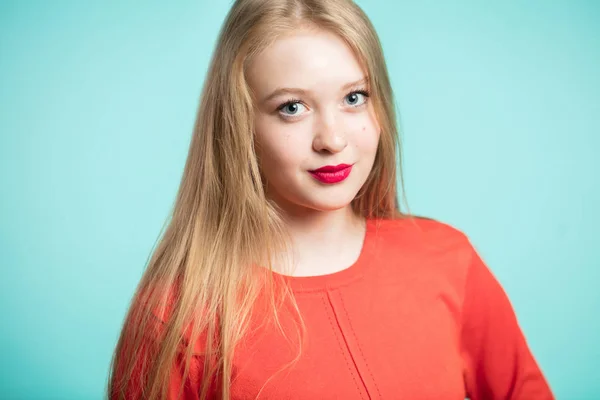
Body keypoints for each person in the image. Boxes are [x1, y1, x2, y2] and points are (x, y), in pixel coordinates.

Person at [107, 0, 555, 399]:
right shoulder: (176, 313)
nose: (332, 139)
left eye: (353, 98)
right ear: (239, 125)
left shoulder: (448, 260)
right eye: (292, 107)